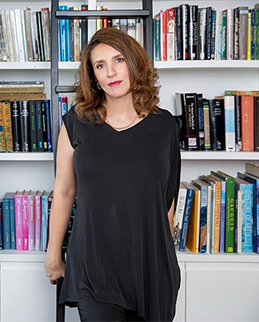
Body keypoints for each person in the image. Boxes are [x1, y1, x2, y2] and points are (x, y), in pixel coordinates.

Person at [45, 27, 181, 322]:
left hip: (151, 269)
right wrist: (53, 256)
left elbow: (167, 202)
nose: (111, 72)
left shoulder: (165, 126)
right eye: (100, 65)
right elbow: (65, 191)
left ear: (134, 63)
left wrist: (160, 263)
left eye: (118, 60)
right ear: (93, 76)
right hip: (95, 268)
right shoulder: (75, 125)